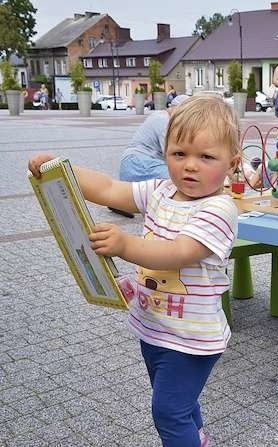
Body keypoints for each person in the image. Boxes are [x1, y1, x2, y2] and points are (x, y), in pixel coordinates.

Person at [28, 95, 241, 447]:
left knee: (168, 411)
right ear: (164, 154)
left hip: (192, 339)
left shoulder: (219, 209)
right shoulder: (160, 190)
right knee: (179, 402)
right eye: (179, 154)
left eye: (206, 157)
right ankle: (198, 438)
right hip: (153, 327)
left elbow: (178, 252)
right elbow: (111, 189)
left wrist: (126, 245)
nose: (190, 166)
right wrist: (61, 169)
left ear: (231, 163)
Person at [119, 94, 190, 182]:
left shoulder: (161, 116)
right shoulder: (163, 120)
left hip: (136, 163)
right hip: (138, 164)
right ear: (177, 109)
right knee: (179, 179)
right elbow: (170, 152)